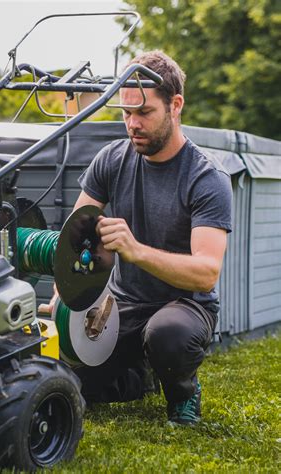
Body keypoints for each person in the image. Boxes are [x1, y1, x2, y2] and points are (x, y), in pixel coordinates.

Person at [42, 50, 233, 425]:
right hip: (124, 303)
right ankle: (138, 377)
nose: (132, 124)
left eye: (144, 113)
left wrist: (136, 251)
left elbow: (206, 273)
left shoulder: (207, 177)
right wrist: (65, 290)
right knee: (75, 382)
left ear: (175, 105)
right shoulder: (111, 158)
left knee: (168, 335)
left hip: (185, 306)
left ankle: (183, 392)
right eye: (126, 113)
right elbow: (79, 234)